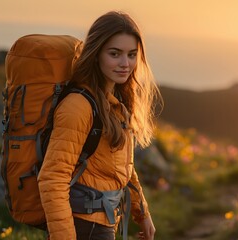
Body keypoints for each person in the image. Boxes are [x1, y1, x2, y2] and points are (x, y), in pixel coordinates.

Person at [38, 11, 160, 240]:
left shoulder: (114, 104)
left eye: (132, 55)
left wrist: (141, 212)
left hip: (101, 223)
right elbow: (53, 178)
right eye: (115, 54)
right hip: (84, 226)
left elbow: (123, 166)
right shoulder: (78, 106)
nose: (126, 64)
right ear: (96, 54)